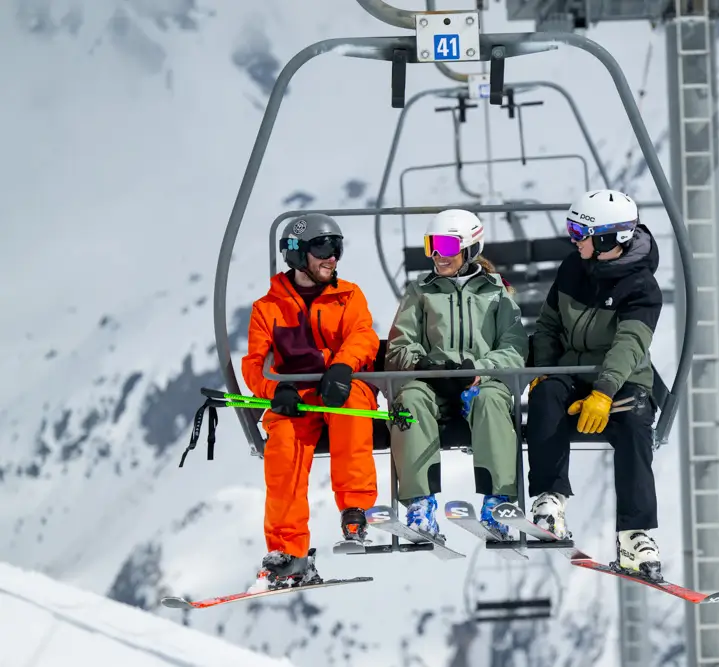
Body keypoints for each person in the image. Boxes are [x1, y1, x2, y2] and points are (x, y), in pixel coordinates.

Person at [525, 189, 665, 580]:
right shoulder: (573, 268)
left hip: (622, 379)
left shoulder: (641, 287)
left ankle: (635, 534)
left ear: (607, 238)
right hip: (571, 372)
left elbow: (629, 345)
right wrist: (546, 370)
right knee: (546, 394)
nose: (573, 239)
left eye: (579, 231)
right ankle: (550, 500)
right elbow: (549, 325)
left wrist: (603, 393)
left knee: (636, 420)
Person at [241, 213, 380, 592]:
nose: (332, 258)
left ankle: (355, 512)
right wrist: (275, 391)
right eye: (323, 249)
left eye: (336, 248)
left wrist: (343, 365)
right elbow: (256, 364)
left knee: (351, 409)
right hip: (296, 398)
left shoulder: (348, 296)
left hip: (342, 388)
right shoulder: (268, 308)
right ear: (297, 255)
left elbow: (363, 336)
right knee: (283, 450)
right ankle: (289, 555)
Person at [385, 209, 528, 538]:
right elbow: (399, 346)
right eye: (431, 246)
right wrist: (426, 367)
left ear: (469, 248)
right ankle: (420, 505)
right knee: (409, 400)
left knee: (493, 400)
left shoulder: (496, 293)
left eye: (446, 246)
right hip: (432, 384)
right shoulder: (421, 291)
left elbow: (513, 346)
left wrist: (480, 369)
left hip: (478, 384)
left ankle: (498, 502)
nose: (437, 255)